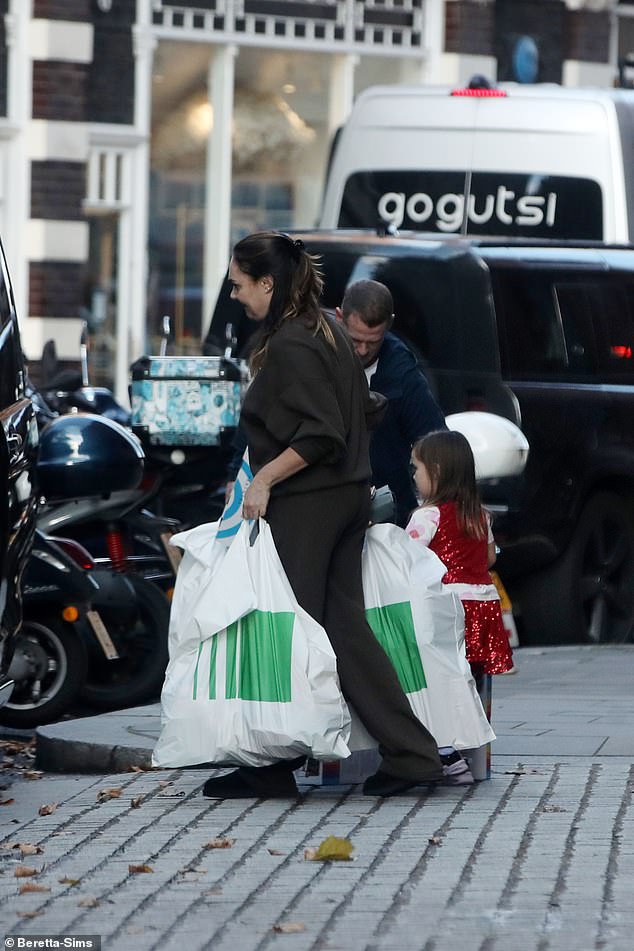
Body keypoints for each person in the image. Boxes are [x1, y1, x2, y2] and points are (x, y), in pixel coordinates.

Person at [201, 231, 443, 800]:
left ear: (267, 282)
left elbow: (321, 433)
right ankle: (412, 755)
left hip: (309, 505)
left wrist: (263, 479)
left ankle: (271, 765)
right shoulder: (327, 328)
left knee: (284, 630)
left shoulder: (292, 342)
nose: (233, 294)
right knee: (342, 629)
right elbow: (364, 408)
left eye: (239, 284)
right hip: (346, 499)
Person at [335, 280, 446, 527]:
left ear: (390, 324)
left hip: (388, 514)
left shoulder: (402, 374)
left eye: (373, 342)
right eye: (355, 340)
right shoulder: (316, 354)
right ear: (339, 317)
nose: (363, 350)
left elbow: (433, 440)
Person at [407, 429, 514, 680]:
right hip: (484, 604)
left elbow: (407, 558)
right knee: (478, 671)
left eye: (417, 469)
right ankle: (480, 718)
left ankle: (453, 718)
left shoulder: (427, 516)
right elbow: (489, 558)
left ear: (436, 471)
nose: (414, 476)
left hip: (447, 606)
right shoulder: (480, 515)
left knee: (447, 673)